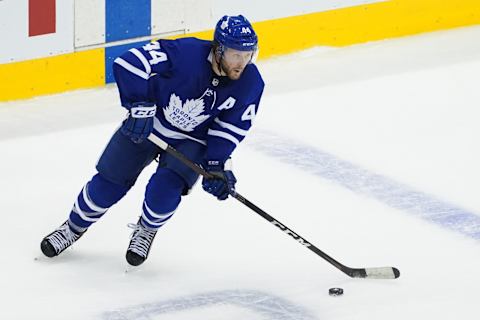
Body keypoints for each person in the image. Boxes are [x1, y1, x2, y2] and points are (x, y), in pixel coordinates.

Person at [40, 15, 264, 266]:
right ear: (219, 49)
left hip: (193, 140)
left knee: (165, 192)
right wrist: (139, 104)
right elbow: (130, 63)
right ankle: (72, 228)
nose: (242, 63)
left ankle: (146, 229)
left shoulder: (251, 83)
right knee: (107, 186)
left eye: (248, 54)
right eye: (236, 54)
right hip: (148, 126)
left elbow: (230, 128)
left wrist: (216, 165)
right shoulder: (185, 53)